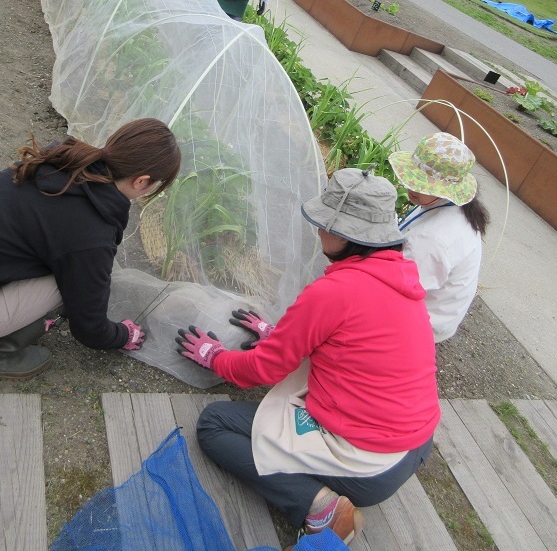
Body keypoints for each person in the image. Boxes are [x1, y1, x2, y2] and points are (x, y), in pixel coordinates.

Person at [176, 169, 439, 549]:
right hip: (415, 445)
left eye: (324, 225)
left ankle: (321, 509)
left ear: (348, 236)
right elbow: (352, 343)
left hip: (367, 463)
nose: (318, 233)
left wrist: (216, 357)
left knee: (215, 424)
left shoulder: (334, 291)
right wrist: (278, 335)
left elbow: (262, 369)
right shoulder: (402, 278)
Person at [0, 119, 181, 382]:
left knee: (75, 268)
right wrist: (122, 334)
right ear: (142, 181)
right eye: (157, 185)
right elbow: (89, 329)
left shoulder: (63, 161)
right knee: (71, 283)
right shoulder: (89, 231)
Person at [389, 132, 490, 343]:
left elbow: (398, 287)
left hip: (422, 325)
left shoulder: (432, 239)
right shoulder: (451, 207)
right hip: (437, 312)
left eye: (422, 185)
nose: (411, 187)